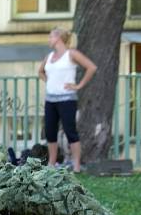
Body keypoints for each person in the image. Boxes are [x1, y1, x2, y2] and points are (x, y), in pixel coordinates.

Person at [38, 27, 97, 173]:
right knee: (50, 132)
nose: (49, 40)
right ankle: (51, 164)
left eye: (50, 37)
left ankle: (76, 165)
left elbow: (91, 67)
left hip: (67, 99)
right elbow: (40, 71)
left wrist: (79, 85)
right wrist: (50, 82)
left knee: (70, 131)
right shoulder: (49, 56)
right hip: (50, 100)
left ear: (58, 38)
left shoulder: (71, 54)